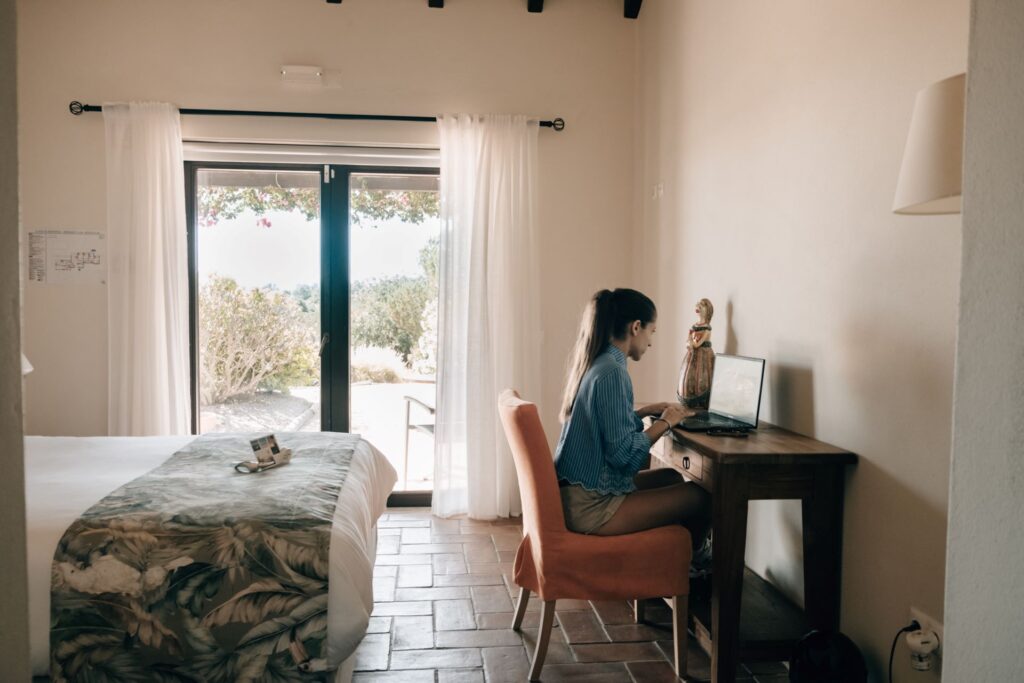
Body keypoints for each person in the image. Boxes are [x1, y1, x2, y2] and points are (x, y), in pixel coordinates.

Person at [554, 288, 712, 572]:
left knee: (672, 477)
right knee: (701, 497)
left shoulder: (599, 362)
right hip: (591, 508)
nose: (651, 342)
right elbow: (625, 458)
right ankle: (695, 566)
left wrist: (641, 414)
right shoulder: (614, 373)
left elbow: (605, 429)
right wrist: (666, 423)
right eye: (652, 331)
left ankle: (669, 562)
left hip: (575, 495)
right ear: (635, 327)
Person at [677, 297, 715, 408]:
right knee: (689, 375)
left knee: (703, 376)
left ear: (707, 310)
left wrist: (692, 344)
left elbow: (698, 343)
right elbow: (688, 338)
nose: (698, 306)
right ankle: (688, 398)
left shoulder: (707, 328)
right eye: (698, 305)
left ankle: (702, 400)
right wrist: (688, 343)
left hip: (703, 355)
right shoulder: (694, 326)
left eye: (701, 305)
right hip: (692, 353)